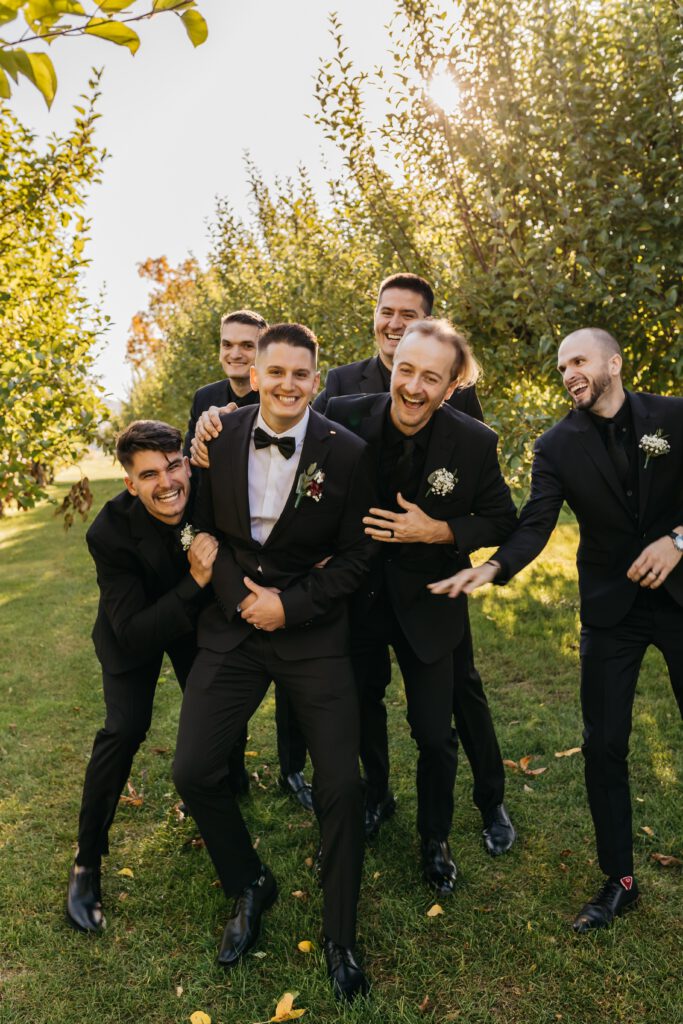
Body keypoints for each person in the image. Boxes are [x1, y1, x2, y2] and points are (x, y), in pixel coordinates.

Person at [430, 327, 683, 931]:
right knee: (603, 744)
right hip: (612, 612)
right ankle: (620, 880)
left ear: (614, 363)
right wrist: (494, 566)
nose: (568, 372)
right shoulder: (556, 445)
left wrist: (678, 540)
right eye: (562, 364)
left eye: (578, 360)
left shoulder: (675, 415)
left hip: (681, 595)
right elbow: (537, 522)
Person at [172, 324, 376, 1002]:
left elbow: (359, 556)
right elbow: (198, 525)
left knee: (340, 786)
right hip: (232, 628)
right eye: (276, 371)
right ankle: (249, 881)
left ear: (316, 379)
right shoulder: (216, 436)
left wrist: (289, 606)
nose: (288, 384)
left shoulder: (346, 453)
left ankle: (340, 935)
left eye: (301, 373)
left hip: (310, 633)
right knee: (192, 769)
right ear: (255, 375)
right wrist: (240, 598)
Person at [313, 273, 515, 854]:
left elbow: (502, 518)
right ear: (392, 366)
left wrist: (441, 530)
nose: (414, 386)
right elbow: (294, 455)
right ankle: (377, 795)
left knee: (435, 732)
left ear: (451, 387)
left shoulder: (473, 441)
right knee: (362, 708)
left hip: (430, 602)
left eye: (431, 378)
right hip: (356, 597)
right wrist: (216, 422)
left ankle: (436, 840)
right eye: (406, 370)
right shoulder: (344, 413)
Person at [66, 420, 218, 933]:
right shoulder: (107, 533)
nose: (166, 482)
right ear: (130, 483)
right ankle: (86, 862)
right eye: (149, 474)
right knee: (124, 728)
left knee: (217, 702)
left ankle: (217, 786)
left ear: (187, 464)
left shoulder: (207, 494)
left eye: (173, 466)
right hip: (131, 629)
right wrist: (195, 580)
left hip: (193, 624)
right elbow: (132, 632)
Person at [185, 308, 313, 811]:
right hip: (226, 555)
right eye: (227, 344)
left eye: (246, 345)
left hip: (284, 566)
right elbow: (196, 473)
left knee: (292, 678)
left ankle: (292, 767)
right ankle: (227, 768)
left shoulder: (288, 394)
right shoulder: (206, 400)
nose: (235, 353)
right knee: (228, 668)